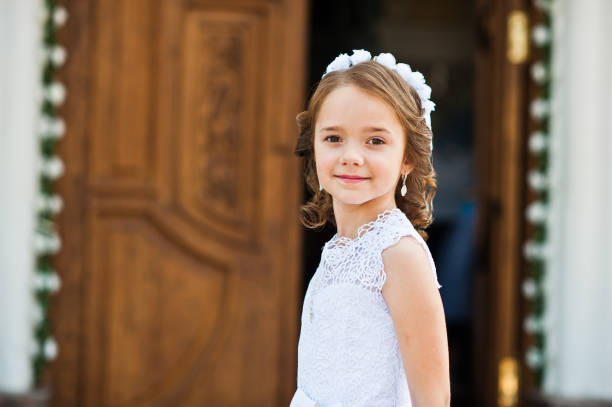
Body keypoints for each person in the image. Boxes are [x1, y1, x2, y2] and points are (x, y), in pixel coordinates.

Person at [290, 50, 450, 407]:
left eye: (375, 140)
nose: (351, 155)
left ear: (408, 156)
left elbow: (434, 398)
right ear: (313, 145)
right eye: (333, 138)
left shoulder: (398, 253)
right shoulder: (342, 247)